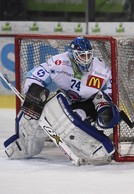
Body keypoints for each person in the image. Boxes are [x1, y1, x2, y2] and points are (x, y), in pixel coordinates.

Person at [4, 36, 120, 165]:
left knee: (76, 117)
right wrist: (34, 92)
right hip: (67, 102)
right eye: (82, 56)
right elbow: (36, 75)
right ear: (72, 55)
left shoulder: (101, 69)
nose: (86, 59)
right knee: (37, 117)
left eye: (88, 55)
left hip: (89, 104)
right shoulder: (59, 62)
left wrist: (105, 108)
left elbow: (110, 92)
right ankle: (24, 145)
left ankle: (94, 146)